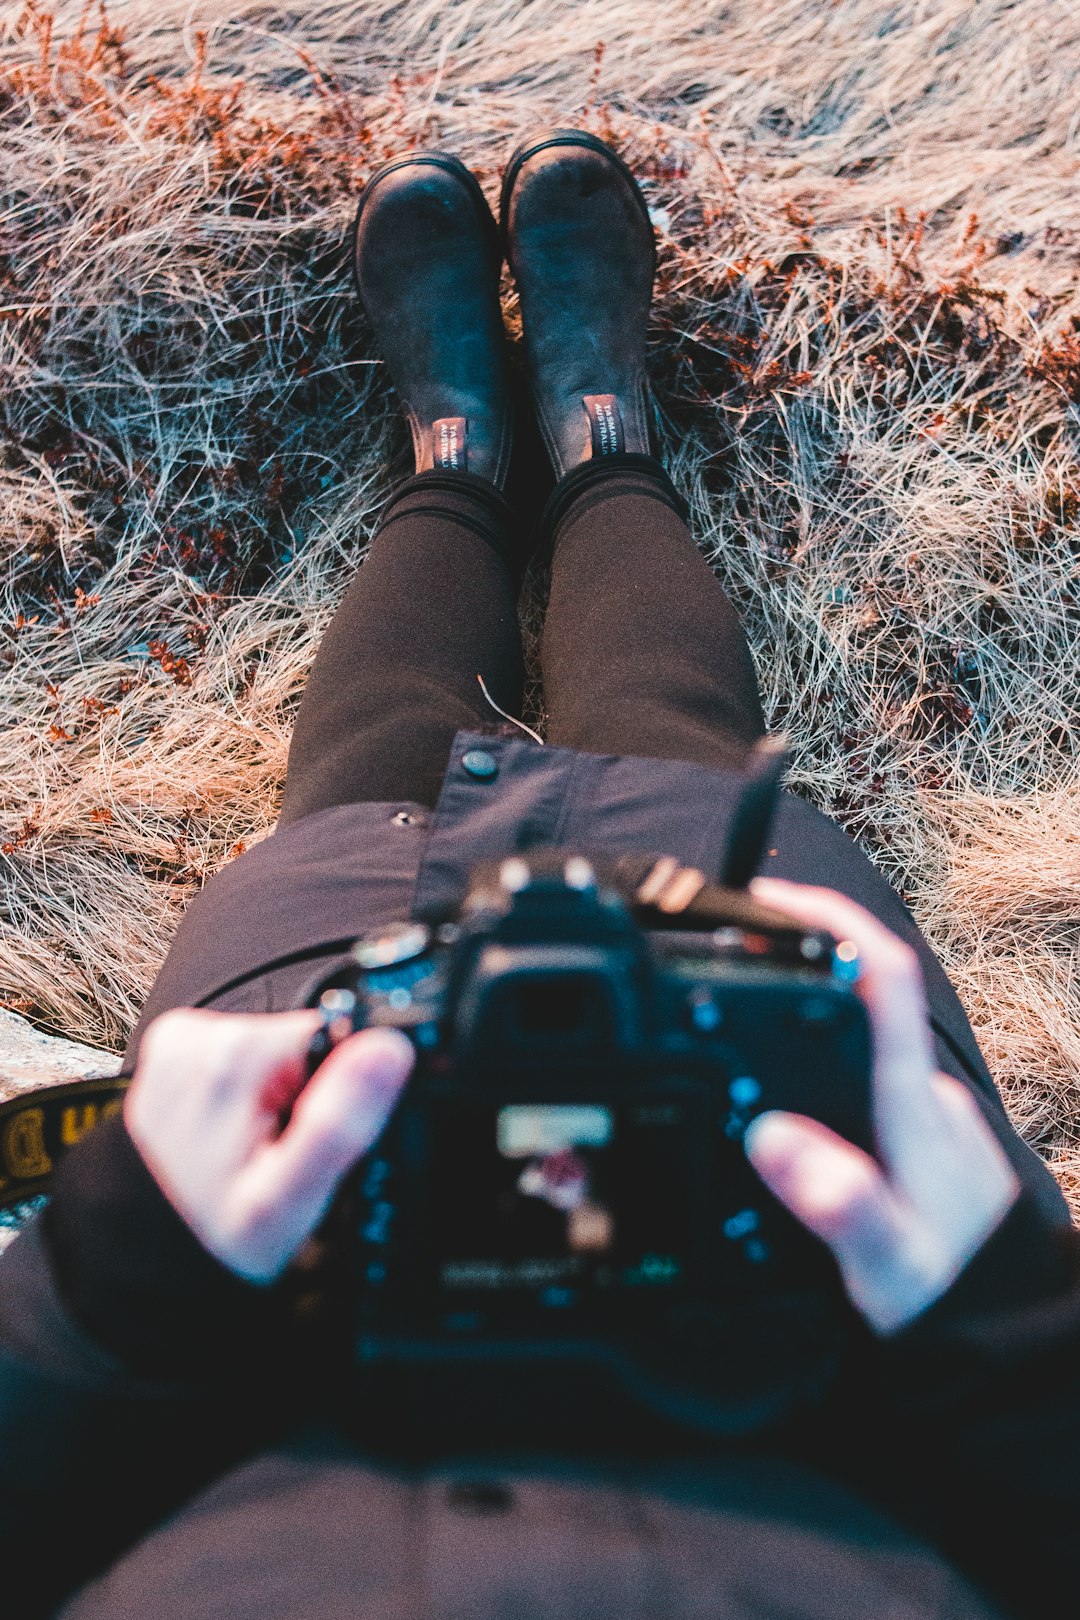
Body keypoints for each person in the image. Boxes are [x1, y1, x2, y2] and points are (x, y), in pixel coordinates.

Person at [1, 130, 1077, 1620]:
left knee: (372, 776)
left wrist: (99, 1295)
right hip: (829, 1364)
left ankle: (459, 461)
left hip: (271, 1324)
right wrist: (1015, 1330)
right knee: (675, 747)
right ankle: (599, 438)